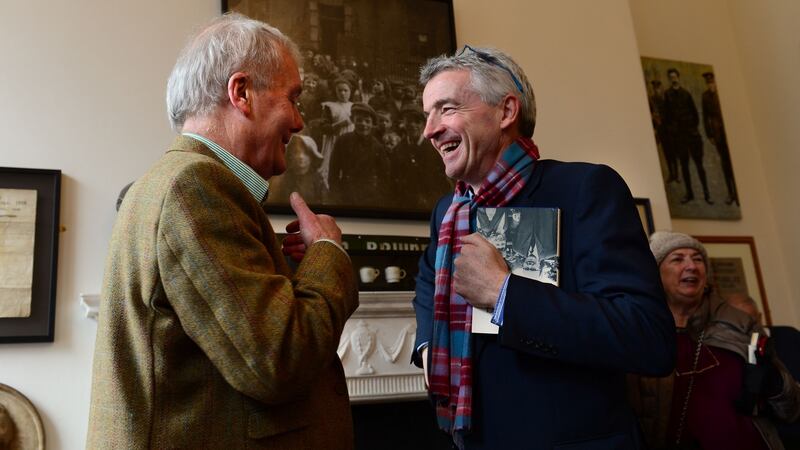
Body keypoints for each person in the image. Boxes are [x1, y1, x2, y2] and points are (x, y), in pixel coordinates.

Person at [86, 14, 359, 449]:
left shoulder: (178, 182)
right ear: (242, 93)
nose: (300, 121)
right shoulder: (193, 187)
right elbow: (277, 361)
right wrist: (328, 252)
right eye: (293, 98)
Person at [412, 45, 676, 449]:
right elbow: (428, 283)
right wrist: (429, 344)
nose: (429, 130)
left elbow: (648, 338)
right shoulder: (447, 211)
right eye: (427, 115)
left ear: (506, 112)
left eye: (446, 109)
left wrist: (505, 295)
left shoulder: (586, 190)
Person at [628, 231, 800, 450]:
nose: (691, 266)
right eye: (678, 259)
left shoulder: (741, 323)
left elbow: (792, 409)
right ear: (656, 273)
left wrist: (775, 384)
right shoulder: (639, 330)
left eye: (698, 259)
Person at [662, 68, 713, 204]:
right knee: (684, 167)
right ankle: (689, 193)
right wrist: (674, 131)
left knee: (699, 165)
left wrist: (691, 128)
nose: (674, 79)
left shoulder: (686, 94)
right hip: (679, 138)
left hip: (691, 135)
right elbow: (666, 117)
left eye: (675, 76)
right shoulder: (668, 95)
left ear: (678, 77)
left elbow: (695, 115)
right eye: (671, 77)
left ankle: (707, 193)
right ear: (669, 79)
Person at [701, 71, 739, 205]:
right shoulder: (705, 97)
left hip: (728, 135)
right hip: (718, 135)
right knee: (725, 165)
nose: (710, 83)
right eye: (708, 82)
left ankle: (737, 193)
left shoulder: (722, 96)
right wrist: (710, 134)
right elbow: (705, 117)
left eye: (712, 81)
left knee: (734, 164)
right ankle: (731, 192)